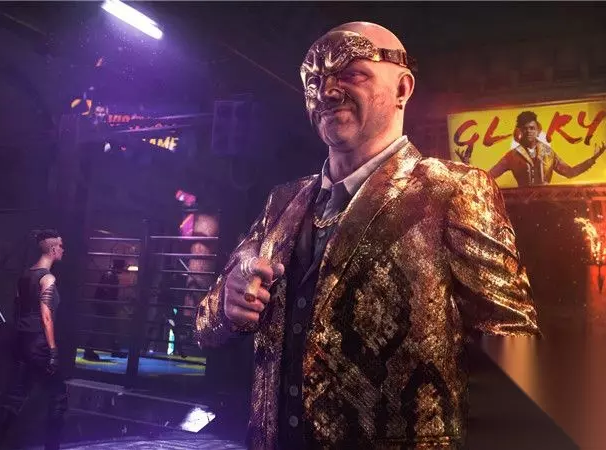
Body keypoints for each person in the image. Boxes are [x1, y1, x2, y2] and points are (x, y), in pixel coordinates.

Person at [195, 22, 540, 449]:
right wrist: (229, 302)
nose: (326, 91)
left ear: (402, 89)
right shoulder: (281, 202)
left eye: (351, 73)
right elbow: (206, 325)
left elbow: (513, 349)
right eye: (313, 80)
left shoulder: (452, 190)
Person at [0, 229, 68, 450]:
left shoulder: (24, 276)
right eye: (61, 246)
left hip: (21, 340)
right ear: (53, 249)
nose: (63, 250)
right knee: (58, 397)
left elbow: (17, 308)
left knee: (15, 396)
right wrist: (52, 350)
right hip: (39, 343)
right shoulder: (47, 278)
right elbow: (46, 316)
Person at [486, 110, 606, 187]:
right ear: (520, 131)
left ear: (538, 130)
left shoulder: (548, 152)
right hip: (522, 204)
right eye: (525, 129)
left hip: (547, 203)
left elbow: (569, 172)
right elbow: (490, 175)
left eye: (532, 128)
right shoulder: (511, 156)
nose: (529, 132)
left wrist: (592, 160)